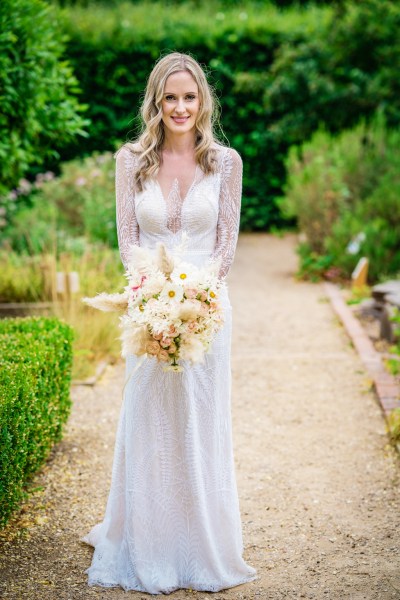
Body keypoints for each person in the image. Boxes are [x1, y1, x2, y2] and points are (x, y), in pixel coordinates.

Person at [81, 51, 257, 594]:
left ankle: (200, 542)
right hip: (147, 311)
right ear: (156, 102)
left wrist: (197, 298)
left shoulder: (226, 162)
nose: (180, 106)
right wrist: (154, 294)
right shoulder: (128, 160)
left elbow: (226, 246)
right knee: (149, 421)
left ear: (202, 100)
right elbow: (127, 240)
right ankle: (148, 542)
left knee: (200, 422)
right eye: (170, 97)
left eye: (189, 96)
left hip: (207, 313)